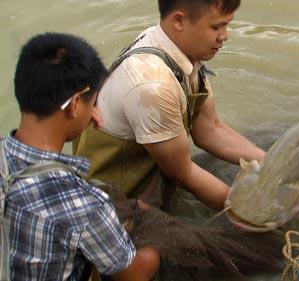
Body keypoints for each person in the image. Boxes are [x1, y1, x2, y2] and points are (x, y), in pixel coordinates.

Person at [74, 0, 266, 210]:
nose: (225, 36)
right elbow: (182, 174)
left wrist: (274, 165)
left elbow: (210, 130)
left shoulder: (179, 47)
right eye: (215, 27)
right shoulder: (152, 85)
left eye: (226, 25)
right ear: (179, 21)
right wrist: (252, 211)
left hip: (157, 171)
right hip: (110, 206)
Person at [1, 33, 159, 281]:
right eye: (93, 102)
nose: (95, 111)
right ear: (75, 104)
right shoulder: (85, 204)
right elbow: (135, 274)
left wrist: (76, 119)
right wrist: (155, 248)